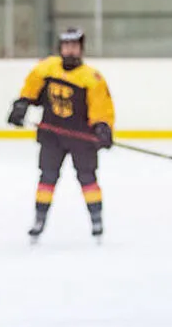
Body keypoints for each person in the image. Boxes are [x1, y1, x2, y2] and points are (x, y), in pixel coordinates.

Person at [7, 27, 116, 242]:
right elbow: (31, 90)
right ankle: (39, 220)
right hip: (52, 135)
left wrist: (103, 128)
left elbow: (101, 108)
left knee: (87, 178)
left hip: (81, 139)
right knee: (47, 177)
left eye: (74, 46)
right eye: (66, 46)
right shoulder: (46, 68)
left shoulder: (91, 78)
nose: (70, 50)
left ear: (81, 49)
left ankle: (96, 219)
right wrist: (21, 106)